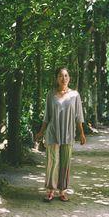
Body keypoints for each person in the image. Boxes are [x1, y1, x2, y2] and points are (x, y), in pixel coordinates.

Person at [35, 67, 86, 202]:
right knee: (53, 161)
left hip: (68, 134)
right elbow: (47, 116)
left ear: (69, 78)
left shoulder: (75, 95)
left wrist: (81, 134)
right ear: (56, 78)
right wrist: (41, 132)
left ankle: (62, 190)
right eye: (60, 76)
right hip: (53, 133)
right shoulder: (50, 95)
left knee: (65, 162)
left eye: (66, 76)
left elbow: (78, 116)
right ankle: (50, 190)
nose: (63, 78)